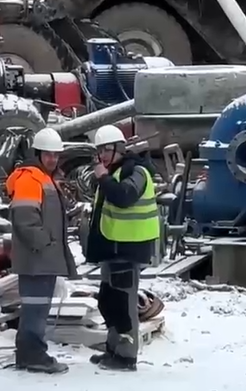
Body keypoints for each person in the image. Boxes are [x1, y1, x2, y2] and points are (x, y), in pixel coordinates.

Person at [84, 125, 160, 371]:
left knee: (124, 305)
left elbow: (124, 197)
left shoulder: (136, 172)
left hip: (128, 250)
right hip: (112, 248)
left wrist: (102, 177)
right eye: (100, 151)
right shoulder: (114, 173)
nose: (103, 155)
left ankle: (126, 356)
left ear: (119, 148)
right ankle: (113, 349)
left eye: (107, 150)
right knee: (109, 301)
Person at [6, 127, 77, 374]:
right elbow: (25, 220)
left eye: (56, 155)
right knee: (35, 309)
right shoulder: (30, 178)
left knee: (38, 308)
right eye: (48, 155)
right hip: (37, 259)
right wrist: (46, 242)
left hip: (42, 258)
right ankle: (33, 354)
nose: (53, 159)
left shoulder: (44, 178)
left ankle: (30, 353)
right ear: (37, 154)